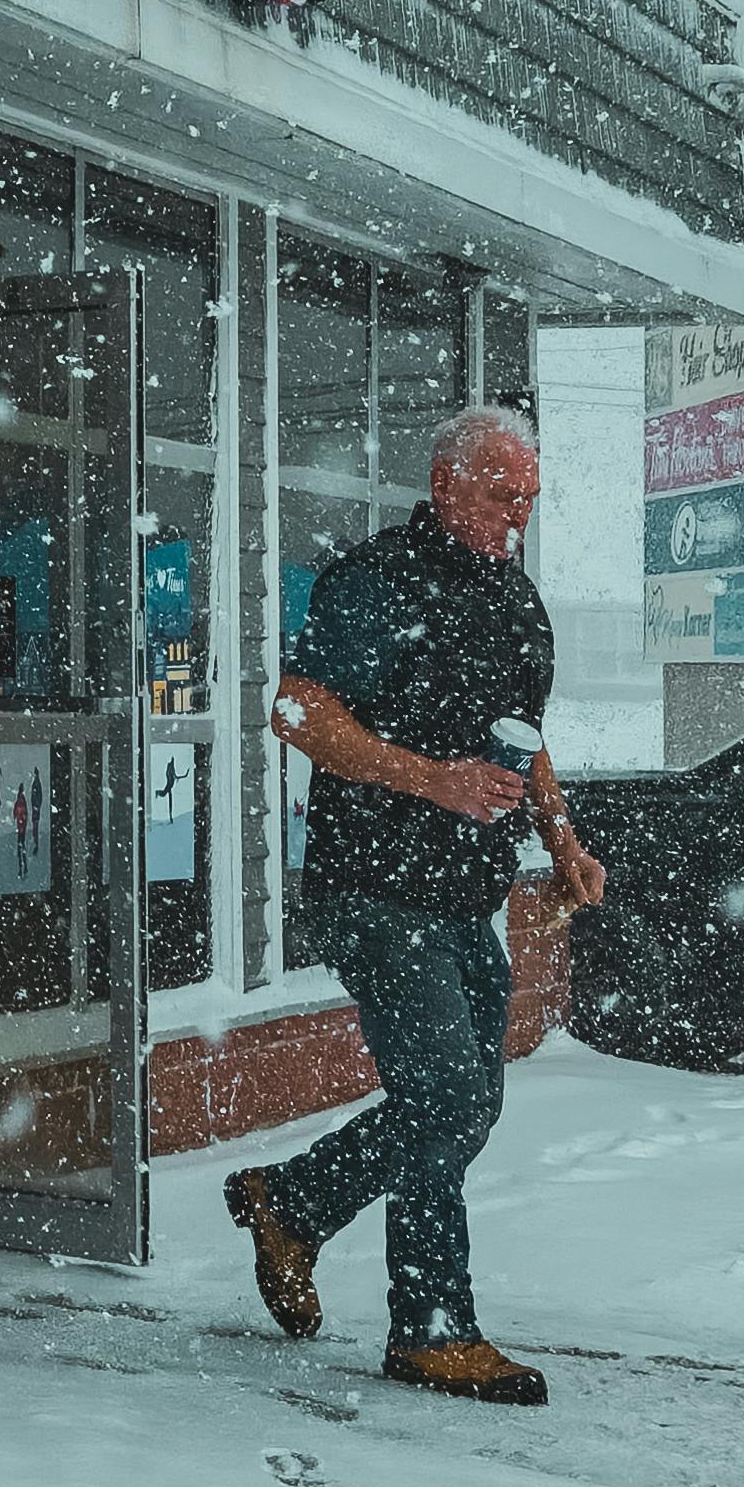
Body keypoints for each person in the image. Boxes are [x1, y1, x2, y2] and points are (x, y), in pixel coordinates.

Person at [227, 404, 606, 1404]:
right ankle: (431, 1327)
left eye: (525, 498)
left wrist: (561, 838)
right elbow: (297, 709)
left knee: (464, 1106)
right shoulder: (376, 580)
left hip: (464, 895)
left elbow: (527, 737)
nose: (512, 515)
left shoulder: (517, 601)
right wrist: (428, 779)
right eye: (496, 493)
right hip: (374, 885)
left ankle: (294, 1203)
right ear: (443, 484)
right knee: (449, 1097)